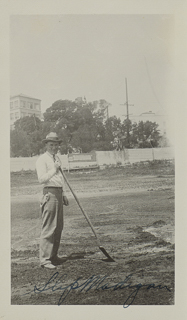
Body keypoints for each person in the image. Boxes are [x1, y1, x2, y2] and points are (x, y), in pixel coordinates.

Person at [36, 132, 69, 269]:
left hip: (59, 192)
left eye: (56, 145)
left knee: (58, 227)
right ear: (46, 145)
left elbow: (60, 178)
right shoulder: (42, 159)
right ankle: (45, 260)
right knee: (49, 227)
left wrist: (64, 193)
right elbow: (41, 179)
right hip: (49, 193)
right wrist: (54, 169)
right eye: (51, 145)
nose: (54, 147)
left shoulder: (57, 159)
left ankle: (53, 256)